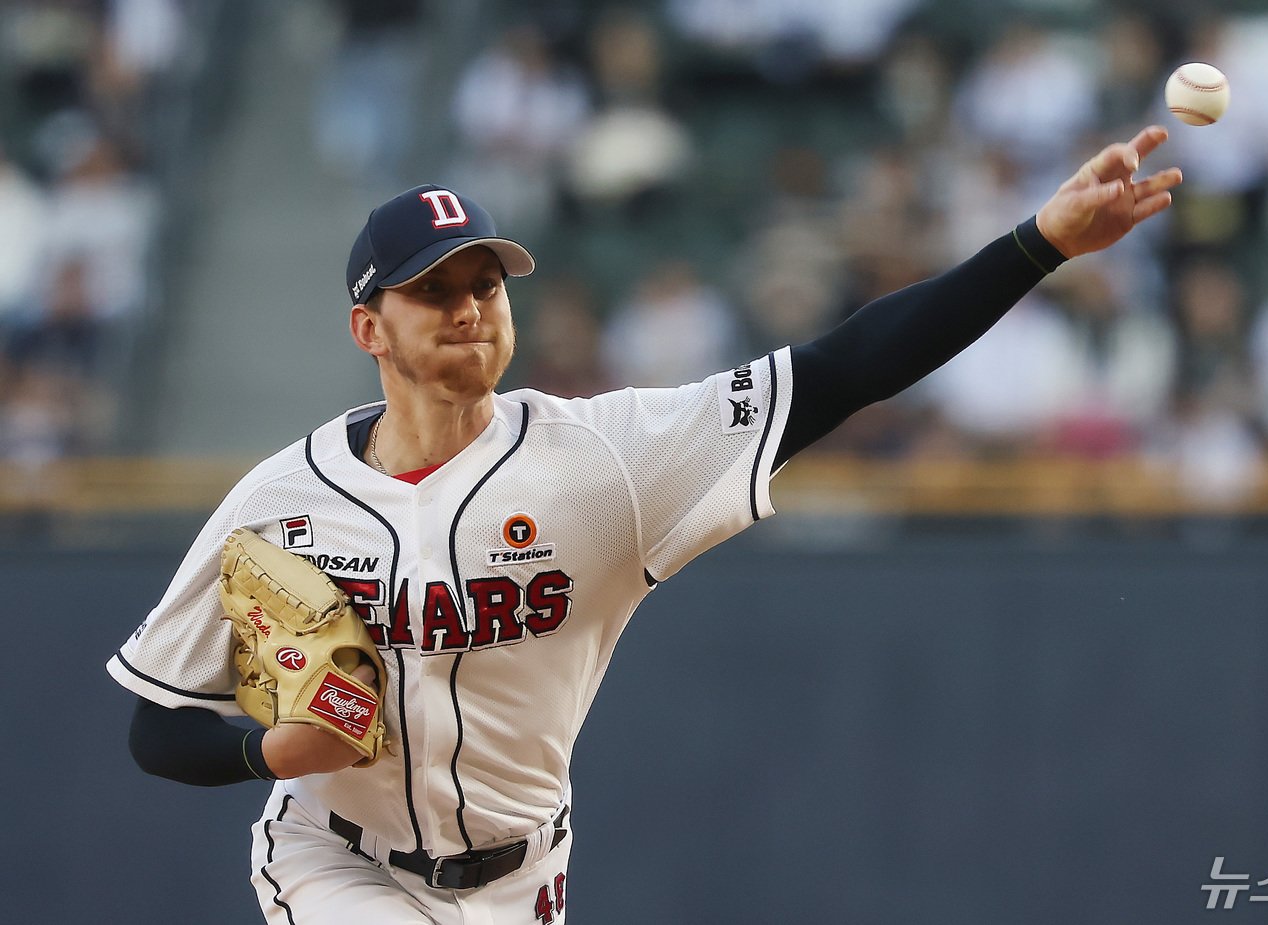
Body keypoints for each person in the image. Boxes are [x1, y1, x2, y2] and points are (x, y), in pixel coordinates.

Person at [108, 126, 1181, 924]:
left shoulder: (604, 458)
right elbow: (158, 727)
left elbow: (839, 371)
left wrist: (1037, 244)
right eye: (434, 290)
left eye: (485, 281)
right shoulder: (280, 503)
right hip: (331, 862)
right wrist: (265, 750)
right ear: (367, 328)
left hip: (525, 875)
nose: (471, 305)